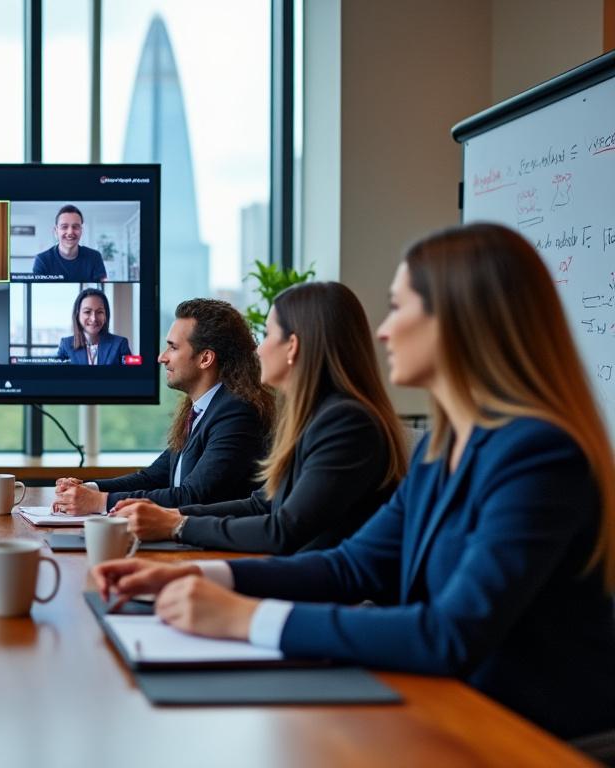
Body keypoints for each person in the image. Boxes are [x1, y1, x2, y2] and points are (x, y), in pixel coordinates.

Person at [93, 223, 615, 740]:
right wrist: (207, 579)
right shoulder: (445, 448)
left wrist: (246, 618)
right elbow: (353, 565)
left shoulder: (538, 455)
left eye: (399, 306)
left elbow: (450, 633)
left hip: (529, 735)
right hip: (451, 707)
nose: (384, 330)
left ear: (457, 322)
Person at [112, 282, 408, 553]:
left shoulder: (346, 423)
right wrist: (172, 516)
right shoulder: (313, 417)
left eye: (267, 335)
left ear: (292, 346)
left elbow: (283, 530)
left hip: (319, 594)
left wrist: (176, 525)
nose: (258, 349)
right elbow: (262, 504)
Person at [53, 298, 273, 515]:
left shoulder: (236, 413)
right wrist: (90, 489)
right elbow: (153, 477)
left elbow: (193, 496)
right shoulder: (200, 410)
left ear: (205, 358)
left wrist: (101, 502)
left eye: (173, 348)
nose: (161, 357)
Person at [31, 205, 108, 282]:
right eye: (64, 227)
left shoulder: (94, 257)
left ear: (81, 231)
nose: (70, 232)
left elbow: (102, 287)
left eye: (75, 227)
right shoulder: (42, 260)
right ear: (56, 231)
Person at [55, 288, 131, 365]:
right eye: (87, 312)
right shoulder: (66, 345)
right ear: (77, 315)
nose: (94, 318)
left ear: (105, 315)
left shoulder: (120, 344)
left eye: (99, 312)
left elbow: (131, 375)